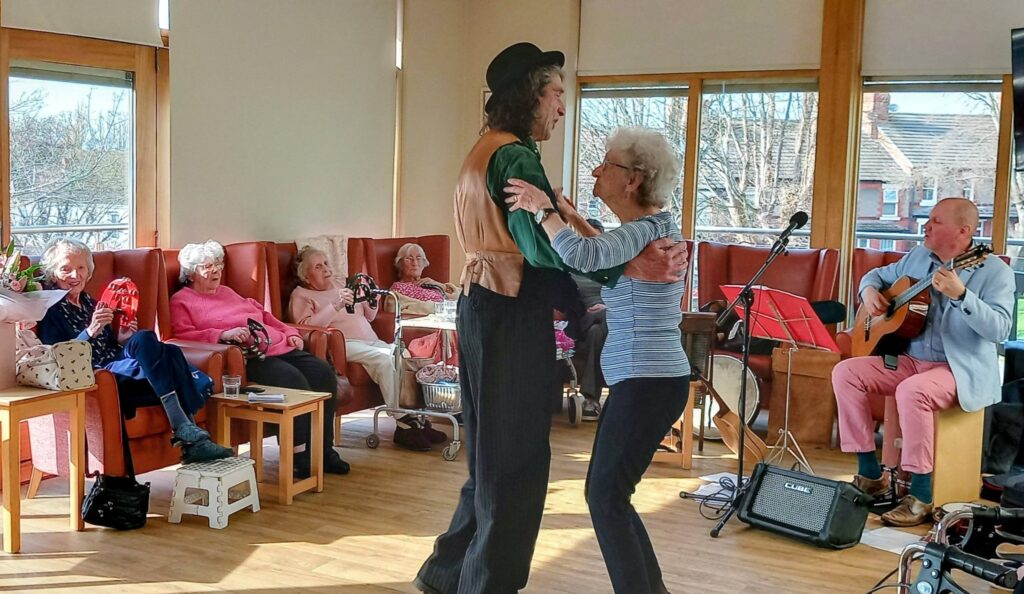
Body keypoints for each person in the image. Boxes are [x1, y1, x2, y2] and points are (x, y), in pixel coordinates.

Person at [415, 42, 687, 594]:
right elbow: (542, 252)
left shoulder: (484, 148)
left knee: (492, 453)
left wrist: (568, 220)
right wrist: (622, 267)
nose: (562, 107)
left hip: (483, 304)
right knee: (515, 461)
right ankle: (487, 585)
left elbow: (549, 242)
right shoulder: (515, 156)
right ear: (530, 95)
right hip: (510, 311)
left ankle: (448, 574)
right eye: (557, 93)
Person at [507, 126, 687, 594]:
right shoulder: (651, 228)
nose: (595, 169)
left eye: (606, 163)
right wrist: (571, 214)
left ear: (633, 179)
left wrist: (543, 209)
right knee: (611, 497)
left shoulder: (646, 230)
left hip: (648, 383)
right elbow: (605, 250)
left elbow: (586, 256)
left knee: (604, 497)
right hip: (650, 382)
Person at [832, 197, 1014, 527]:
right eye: (927, 219)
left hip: (958, 370)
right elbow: (874, 276)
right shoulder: (917, 257)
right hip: (911, 360)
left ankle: (921, 495)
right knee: (846, 372)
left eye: (935, 221)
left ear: (963, 231)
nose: (925, 225)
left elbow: (1001, 328)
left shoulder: (995, 271)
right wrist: (869, 292)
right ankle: (871, 475)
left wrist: (962, 296)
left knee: (912, 391)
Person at [35, 238, 232, 463]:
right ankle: (188, 431)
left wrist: (122, 338)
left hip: (117, 361)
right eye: (66, 269)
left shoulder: (91, 303)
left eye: (81, 268)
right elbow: (58, 356)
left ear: (89, 271)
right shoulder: (50, 310)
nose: (75, 275)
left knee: (150, 340)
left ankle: (186, 430)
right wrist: (90, 331)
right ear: (53, 274)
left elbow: (111, 345)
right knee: (168, 356)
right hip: (100, 374)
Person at [169, 240, 349, 478]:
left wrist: (290, 333)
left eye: (218, 266)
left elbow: (264, 315)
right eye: (207, 267)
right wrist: (223, 335)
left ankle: (325, 451)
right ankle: (300, 456)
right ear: (191, 273)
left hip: (278, 344)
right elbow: (181, 335)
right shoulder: (182, 300)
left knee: (323, 373)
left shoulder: (227, 292)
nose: (216, 271)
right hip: (251, 356)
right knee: (296, 383)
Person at [288, 246, 446, 451]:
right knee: (383, 359)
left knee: (405, 356)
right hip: (342, 344)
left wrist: (373, 299)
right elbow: (306, 329)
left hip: (370, 340)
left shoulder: (342, 285)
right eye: (318, 266)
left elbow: (369, 317)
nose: (326, 269)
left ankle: (418, 419)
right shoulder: (301, 294)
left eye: (326, 263)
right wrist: (334, 306)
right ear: (306, 276)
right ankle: (404, 424)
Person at [569, 218, 609, 421]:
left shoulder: (613, 268)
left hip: (608, 323)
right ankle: (593, 400)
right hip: (582, 318)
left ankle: (590, 399)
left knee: (596, 332)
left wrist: (607, 307)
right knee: (596, 324)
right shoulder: (571, 267)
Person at [390, 243, 460, 316]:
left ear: (424, 263)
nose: (415, 263)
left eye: (419, 258)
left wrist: (438, 284)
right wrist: (441, 307)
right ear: (400, 263)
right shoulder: (398, 288)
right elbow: (407, 307)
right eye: (409, 259)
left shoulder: (430, 283)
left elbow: (462, 297)